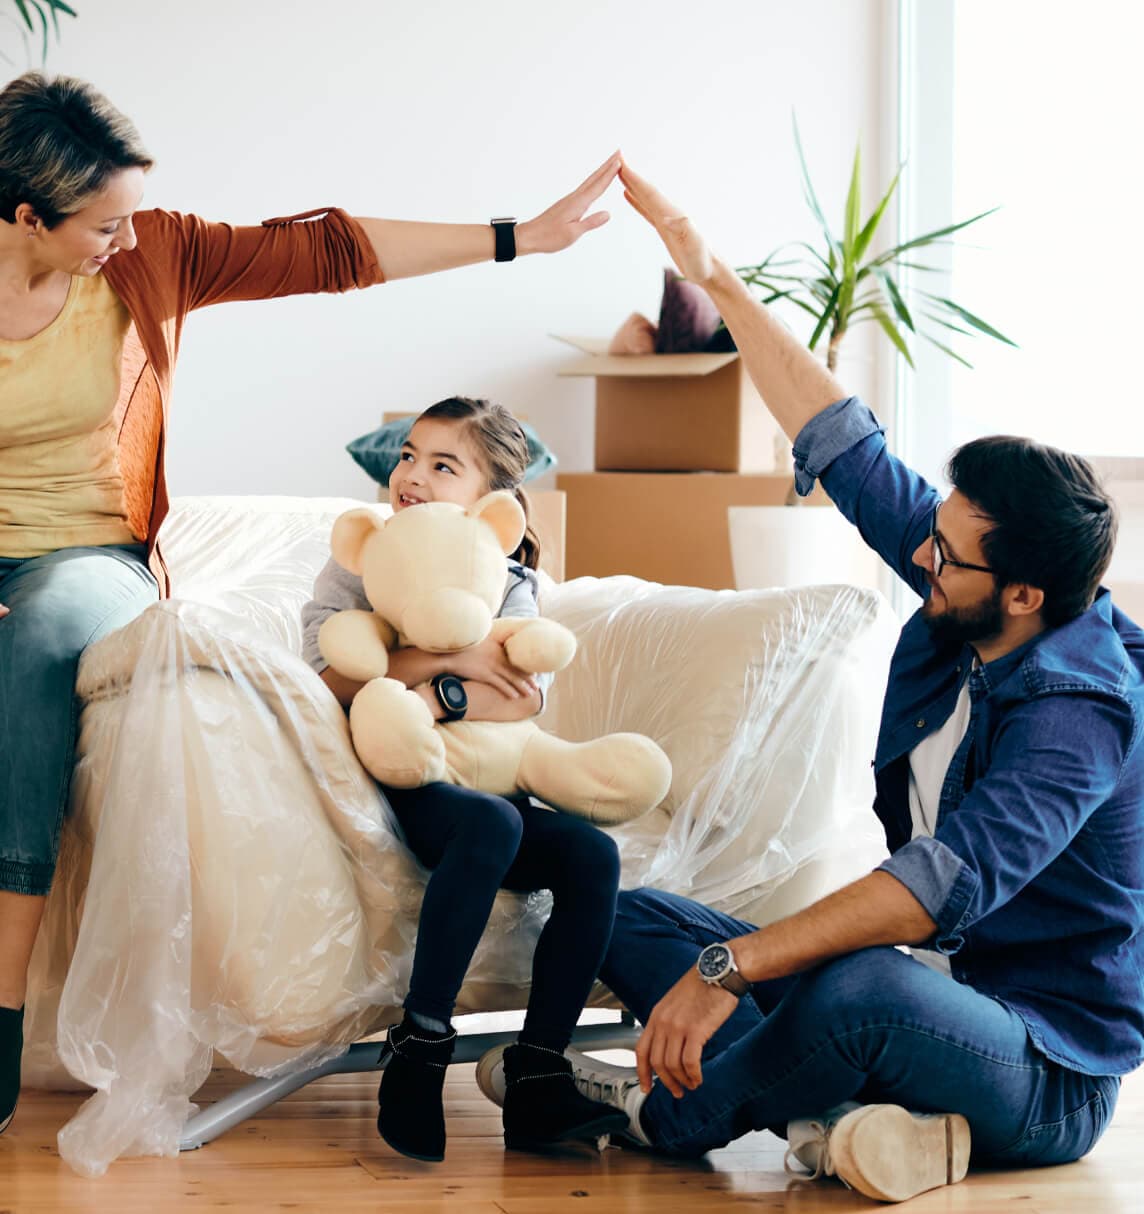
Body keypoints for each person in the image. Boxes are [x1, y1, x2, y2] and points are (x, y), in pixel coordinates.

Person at [477, 163, 1144, 1204]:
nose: (922, 551)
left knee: (857, 984)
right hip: (930, 997)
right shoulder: (964, 573)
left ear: (1021, 592)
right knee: (620, 904)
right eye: (934, 530)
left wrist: (728, 971)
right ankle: (845, 1123)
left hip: (1039, 1062)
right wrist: (712, 273)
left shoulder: (1080, 710)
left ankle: (655, 1112)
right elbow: (842, 439)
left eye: (949, 552)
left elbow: (934, 891)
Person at [0, 69, 621, 1139]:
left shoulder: (147, 256)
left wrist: (522, 235)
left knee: (46, 627)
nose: (128, 232)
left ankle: (0, 1002)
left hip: (84, 558)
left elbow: (327, 248)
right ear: (25, 216)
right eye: (102, 220)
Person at [300, 396, 628, 1162]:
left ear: (491, 502)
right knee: (491, 824)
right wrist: (456, 660)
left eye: (442, 465)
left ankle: (540, 1073)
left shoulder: (506, 575)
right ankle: (419, 1047)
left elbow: (522, 693)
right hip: (410, 782)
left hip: (496, 781)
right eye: (408, 455)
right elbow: (330, 675)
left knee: (591, 855)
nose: (411, 475)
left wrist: (432, 684)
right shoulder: (364, 558)